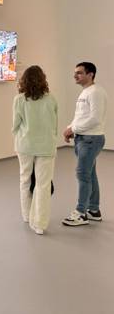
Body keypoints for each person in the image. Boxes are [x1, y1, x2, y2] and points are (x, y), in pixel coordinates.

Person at [12, 66, 58, 235]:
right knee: (43, 184)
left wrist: (20, 135)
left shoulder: (19, 99)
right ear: (43, 79)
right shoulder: (51, 99)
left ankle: (26, 215)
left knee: (25, 180)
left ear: (24, 80)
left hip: (24, 145)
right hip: (46, 146)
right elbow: (54, 124)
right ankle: (39, 223)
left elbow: (14, 125)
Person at [62, 62, 108, 226]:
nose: (75, 76)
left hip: (91, 139)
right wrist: (70, 127)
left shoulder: (95, 92)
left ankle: (81, 213)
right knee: (90, 174)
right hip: (83, 138)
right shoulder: (86, 92)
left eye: (79, 73)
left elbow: (95, 118)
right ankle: (94, 210)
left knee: (82, 175)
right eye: (75, 72)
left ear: (91, 74)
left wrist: (73, 129)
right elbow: (81, 116)